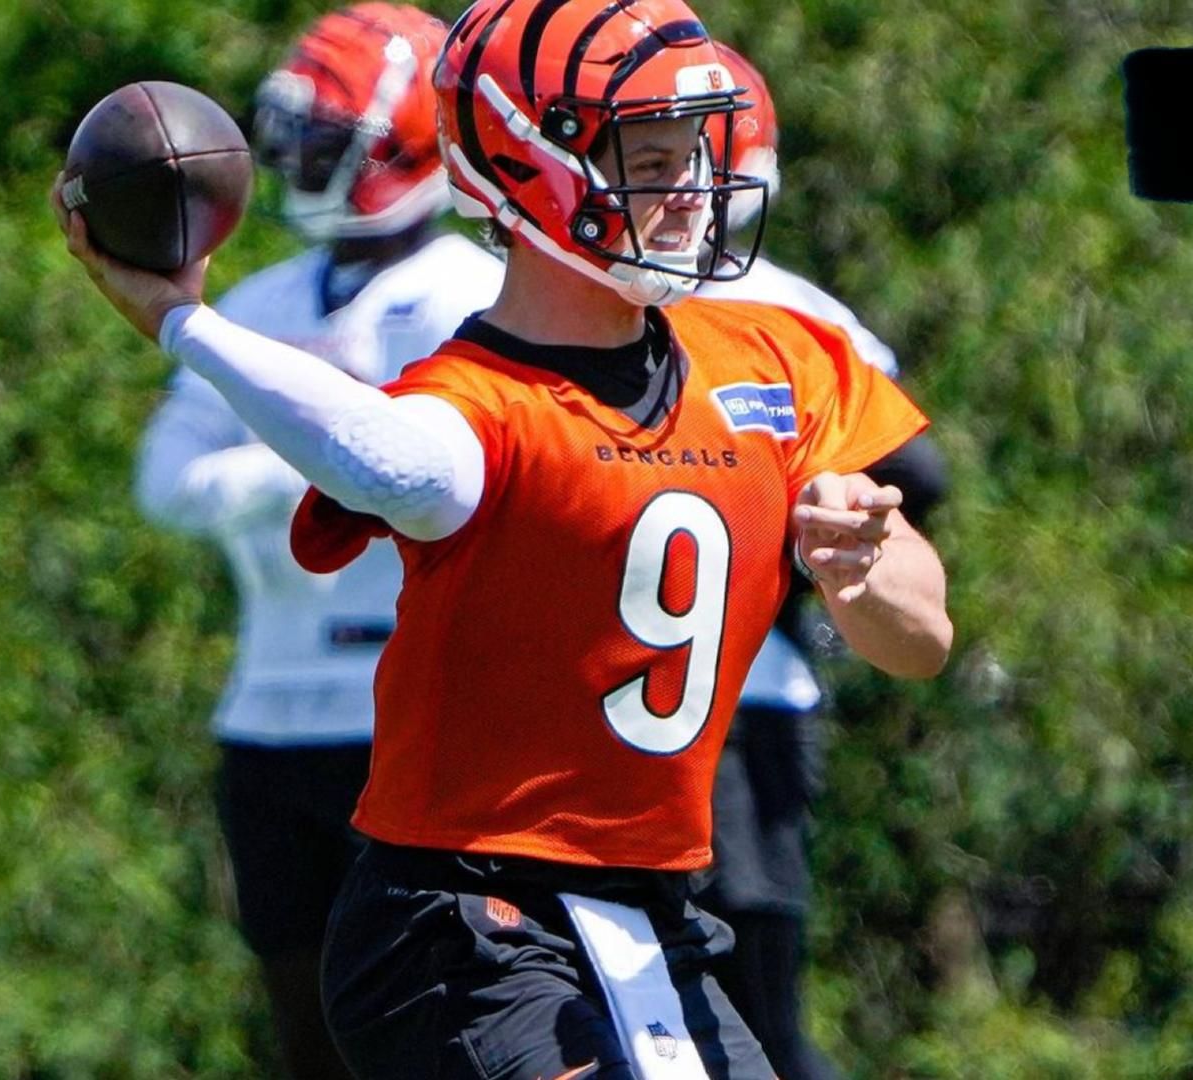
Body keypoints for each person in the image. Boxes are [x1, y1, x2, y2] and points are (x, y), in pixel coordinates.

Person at [57, 0, 952, 1073]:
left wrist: (864, 567)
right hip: (466, 922)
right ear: (533, 166)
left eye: (696, 154)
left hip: (662, 913)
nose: (692, 192)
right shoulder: (484, 399)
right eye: (652, 158)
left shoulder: (774, 358)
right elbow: (387, 457)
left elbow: (923, 640)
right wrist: (182, 320)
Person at [130, 5, 502, 1076]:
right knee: (306, 1031)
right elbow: (166, 481)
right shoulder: (261, 297)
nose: (302, 161)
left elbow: (436, 482)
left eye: (330, 139)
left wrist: (329, 437)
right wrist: (319, 447)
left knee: (435, 1017)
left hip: (412, 709)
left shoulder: (470, 296)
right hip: (269, 705)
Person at [686, 44, 947, 1080]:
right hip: (573, 722)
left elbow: (911, 478)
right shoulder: (518, 308)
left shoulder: (788, 316)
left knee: (752, 1019)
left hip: (743, 700)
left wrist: (817, 556)